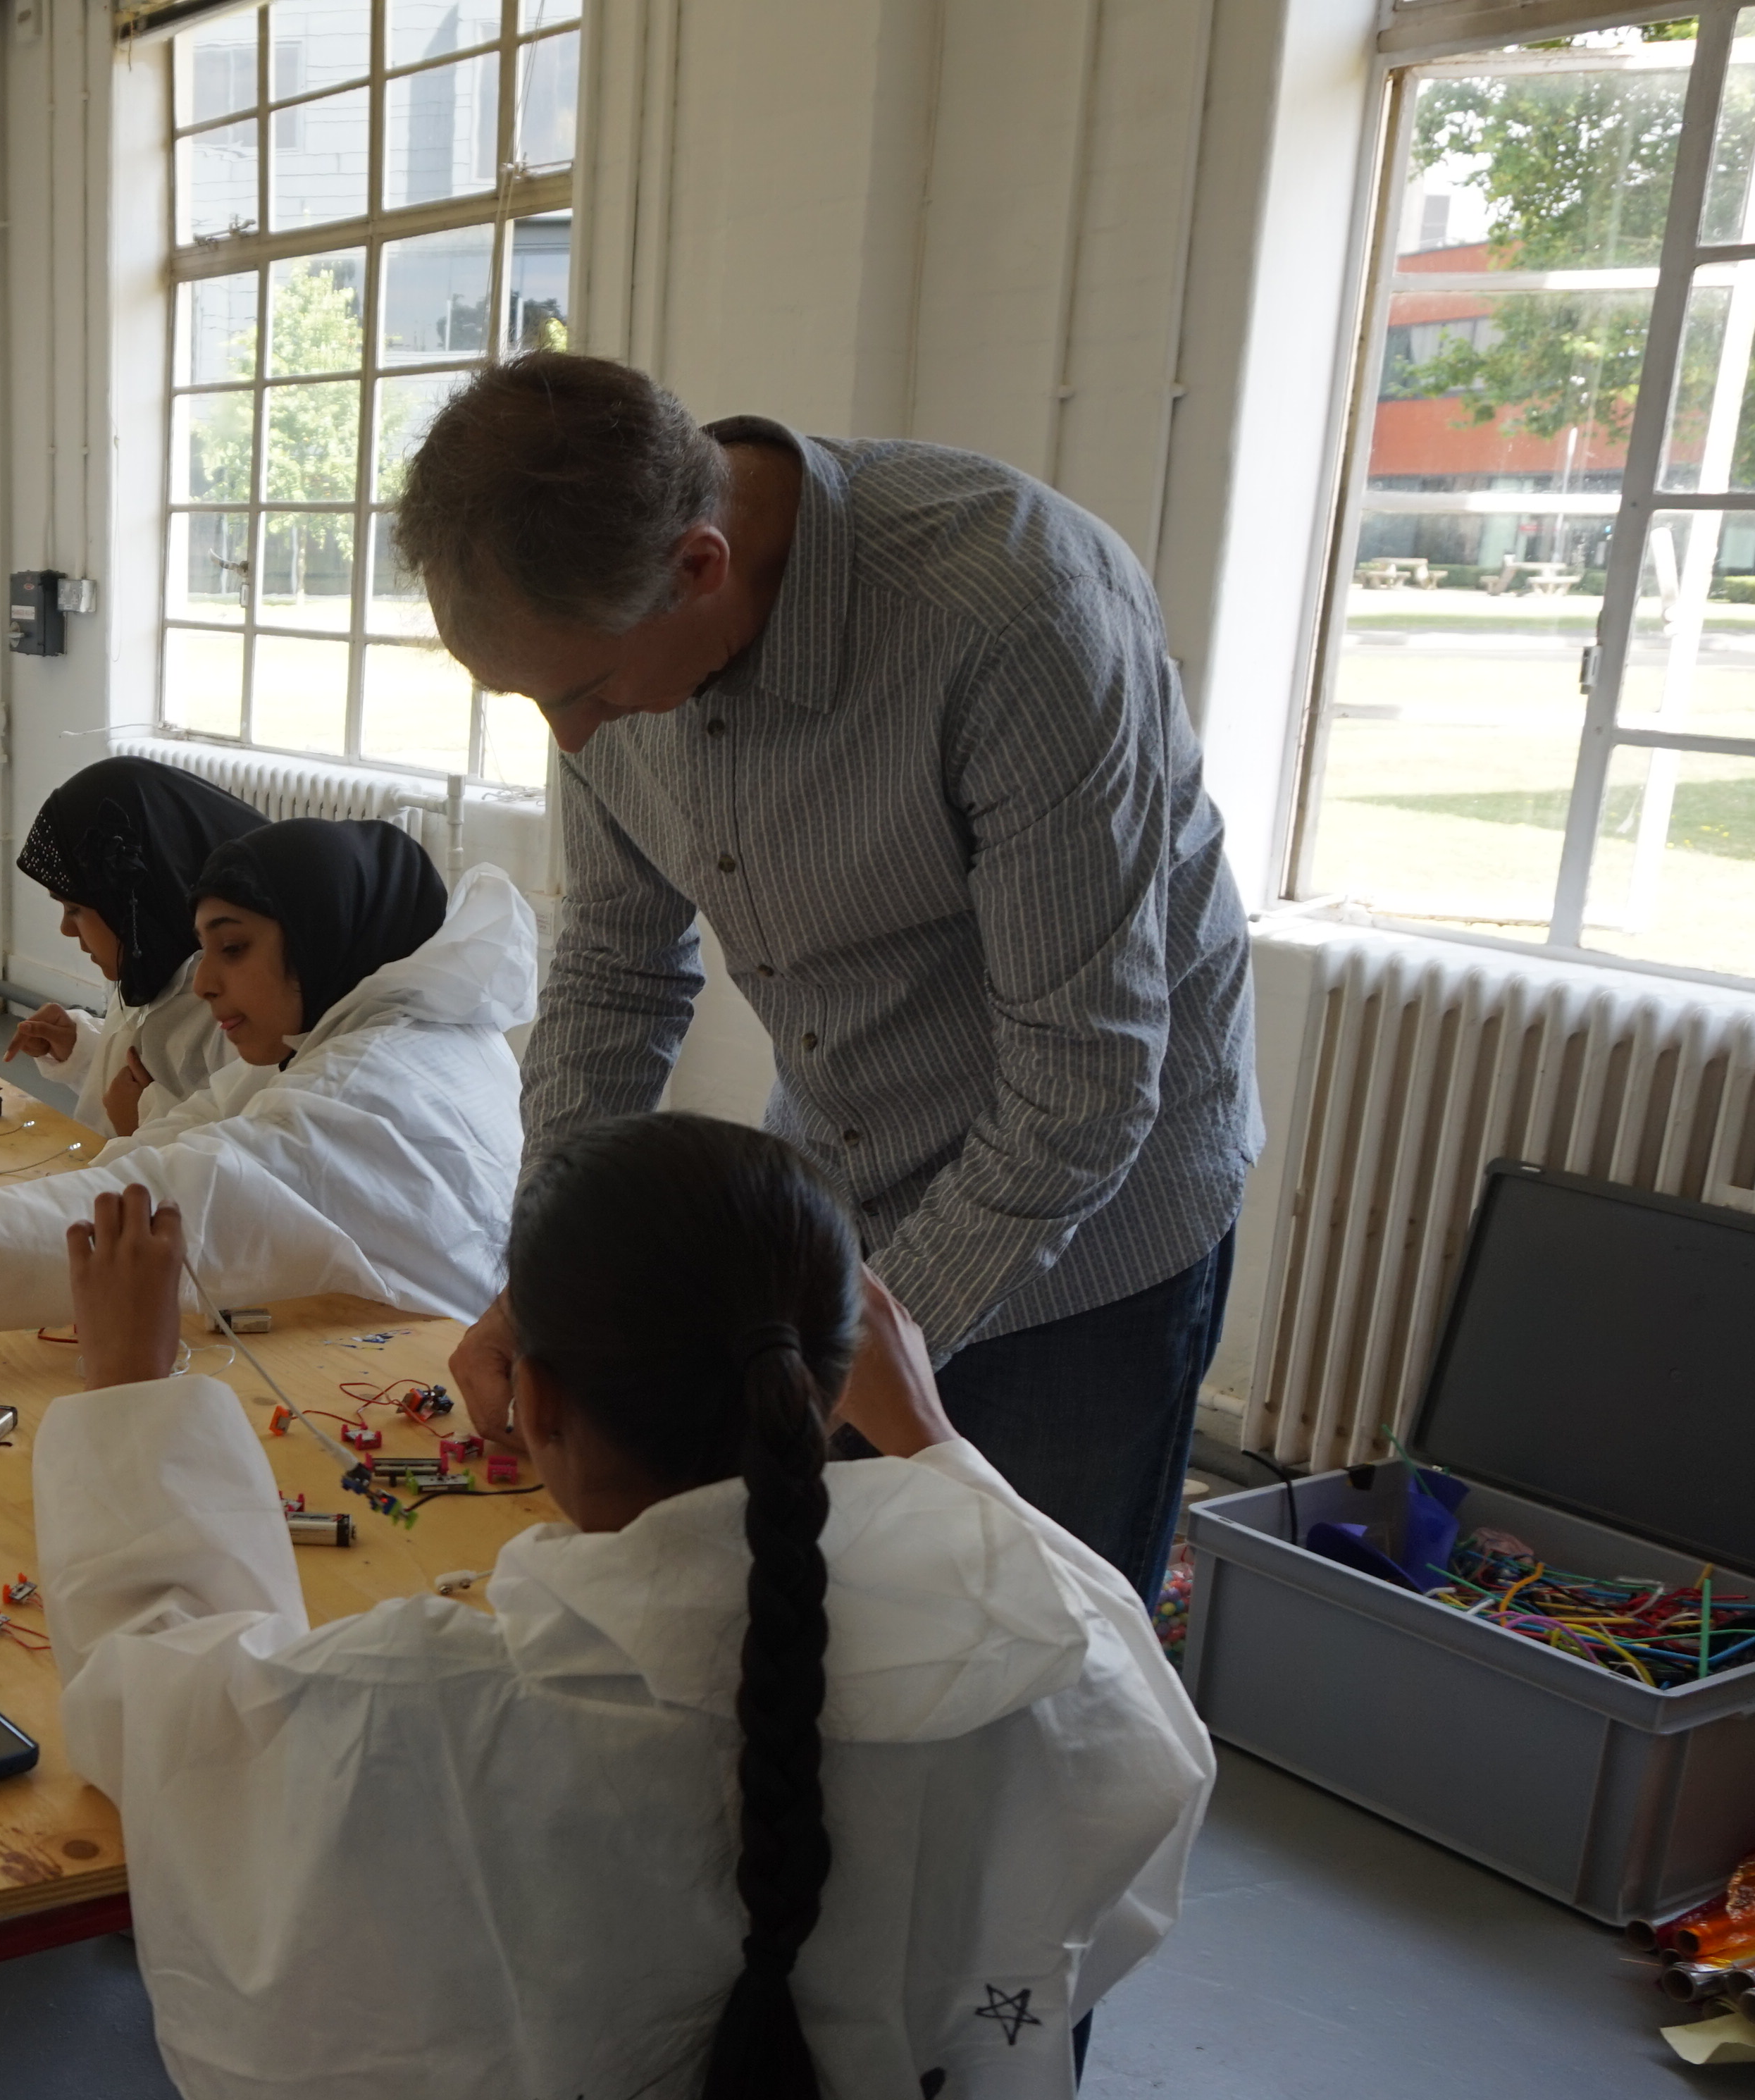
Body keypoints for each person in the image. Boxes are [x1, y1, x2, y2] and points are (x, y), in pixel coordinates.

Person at [36, 1120, 1213, 2100]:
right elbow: (1120, 1696)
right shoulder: (1015, 1669)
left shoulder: (420, 1715)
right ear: (828, 1379)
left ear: (529, 1403)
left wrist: (130, 1395)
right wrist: (934, 1438)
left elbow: (157, 1704)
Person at [395, 352, 1259, 1604]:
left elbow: (1083, 1088)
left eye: (582, 692)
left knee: (1037, 1634)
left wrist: (838, 1366)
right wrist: (554, 1277)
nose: (573, 739)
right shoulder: (608, 634)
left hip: (1097, 1233)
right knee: (830, 1630)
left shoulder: (1015, 612)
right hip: (845, 1182)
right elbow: (616, 977)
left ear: (700, 566)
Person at [0, 820, 535, 1364]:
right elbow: (194, 1127)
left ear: (322, 937)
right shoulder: (389, 1030)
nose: (203, 982)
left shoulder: (367, 1086)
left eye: (233, 948)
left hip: (414, 1369)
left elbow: (163, 1199)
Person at [0, 756, 267, 1137]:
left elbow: (218, 1156)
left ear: (126, 902)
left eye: (75, 909)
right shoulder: (155, 964)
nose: (66, 929)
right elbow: (139, 1078)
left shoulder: (231, 1016)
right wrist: (79, 1047)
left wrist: (137, 1128)